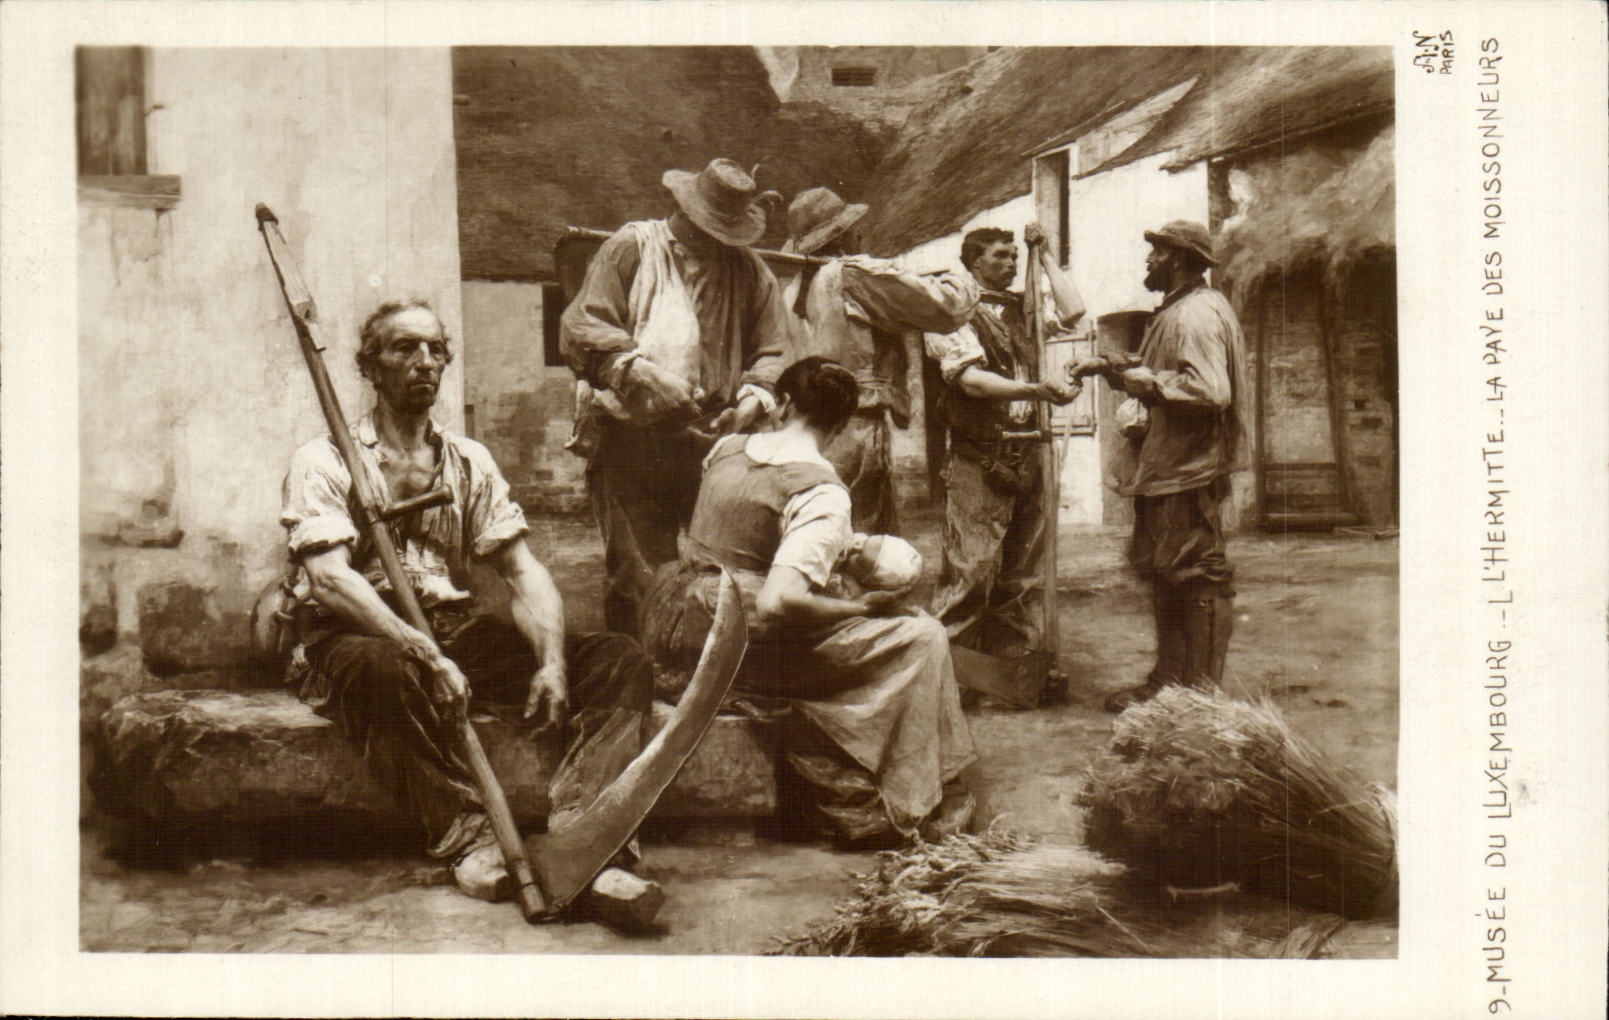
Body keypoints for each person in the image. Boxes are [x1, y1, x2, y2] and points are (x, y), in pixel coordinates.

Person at [279, 300, 653, 902]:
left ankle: (592, 835)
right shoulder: (324, 459)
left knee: (618, 658)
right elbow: (328, 580)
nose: (424, 362)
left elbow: (521, 570)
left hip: (449, 628)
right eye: (404, 348)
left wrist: (552, 662)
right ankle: (470, 836)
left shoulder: (467, 462)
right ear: (370, 367)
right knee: (385, 669)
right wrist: (425, 654)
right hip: (356, 636)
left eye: (434, 349)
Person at [640, 357, 976, 846]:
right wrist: (862, 609)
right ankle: (906, 790)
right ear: (841, 426)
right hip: (728, 640)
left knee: (839, 610)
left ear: (786, 404)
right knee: (923, 636)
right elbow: (777, 603)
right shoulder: (821, 491)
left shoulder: (727, 448)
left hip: (671, 611)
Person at [560, 158, 793, 636]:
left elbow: (775, 348)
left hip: (715, 440)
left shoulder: (747, 267)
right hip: (633, 438)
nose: (715, 240)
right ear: (682, 210)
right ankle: (640, 684)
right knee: (639, 572)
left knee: (724, 567)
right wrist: (645, 373)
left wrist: (751, 401)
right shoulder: (631, 248)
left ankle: (704, 674)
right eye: (708, 228)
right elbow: (583, 326)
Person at [1073, 221, 1249, 712]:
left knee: (1195, 576)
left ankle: (1199, 696)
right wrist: (1111, 366)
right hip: (1168, 465)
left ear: (1177, 258)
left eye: (1155, 253)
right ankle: (1169, 682)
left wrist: (1147, 383)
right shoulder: (1177, 311)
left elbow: (1210, 390)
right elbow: (1162, 370)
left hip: (1188, 467)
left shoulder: (1196, 314)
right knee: (1165, 571)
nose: (1147, 261)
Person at [924, 225, 1084, 659]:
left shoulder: (1022, 310)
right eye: (1001, 256)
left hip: (1029, 452)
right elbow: (972, 382)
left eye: (1015, 256)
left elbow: (1074, 311)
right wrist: (1036, 390)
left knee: (1021, 572)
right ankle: (951, 670)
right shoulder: (948, 314)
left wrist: (1045, 255)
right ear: (974, 262)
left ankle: (1011, 663)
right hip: (980, 459)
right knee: (971, 570)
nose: (1012, 264)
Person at [779, 187, 979, 533]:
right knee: (858, 530)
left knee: (820, 521)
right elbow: (947, 307)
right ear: (842, 237)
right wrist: (961, 279)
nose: (860, 235)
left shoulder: (794, 288)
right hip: (854, 422)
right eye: (854, 229)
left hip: (805, 424)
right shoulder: (851, 273)